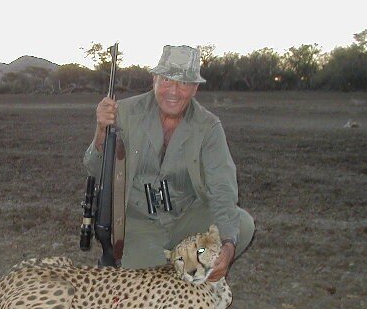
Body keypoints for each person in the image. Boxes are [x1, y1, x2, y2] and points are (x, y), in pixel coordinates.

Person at [83, 44, 254, 281]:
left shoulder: (209, 126)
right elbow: (94, 168)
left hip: (185, 217)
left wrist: (228, 246)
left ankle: (195, 263)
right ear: (154, 79)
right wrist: (101, 131)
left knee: (242, 225)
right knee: (147, 286)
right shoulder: (125, 112)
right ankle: (176, 268)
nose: (173, 91)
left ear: (194, 88)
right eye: (167, 80)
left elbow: (222, 189)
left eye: (184, 83)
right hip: (138, 220)